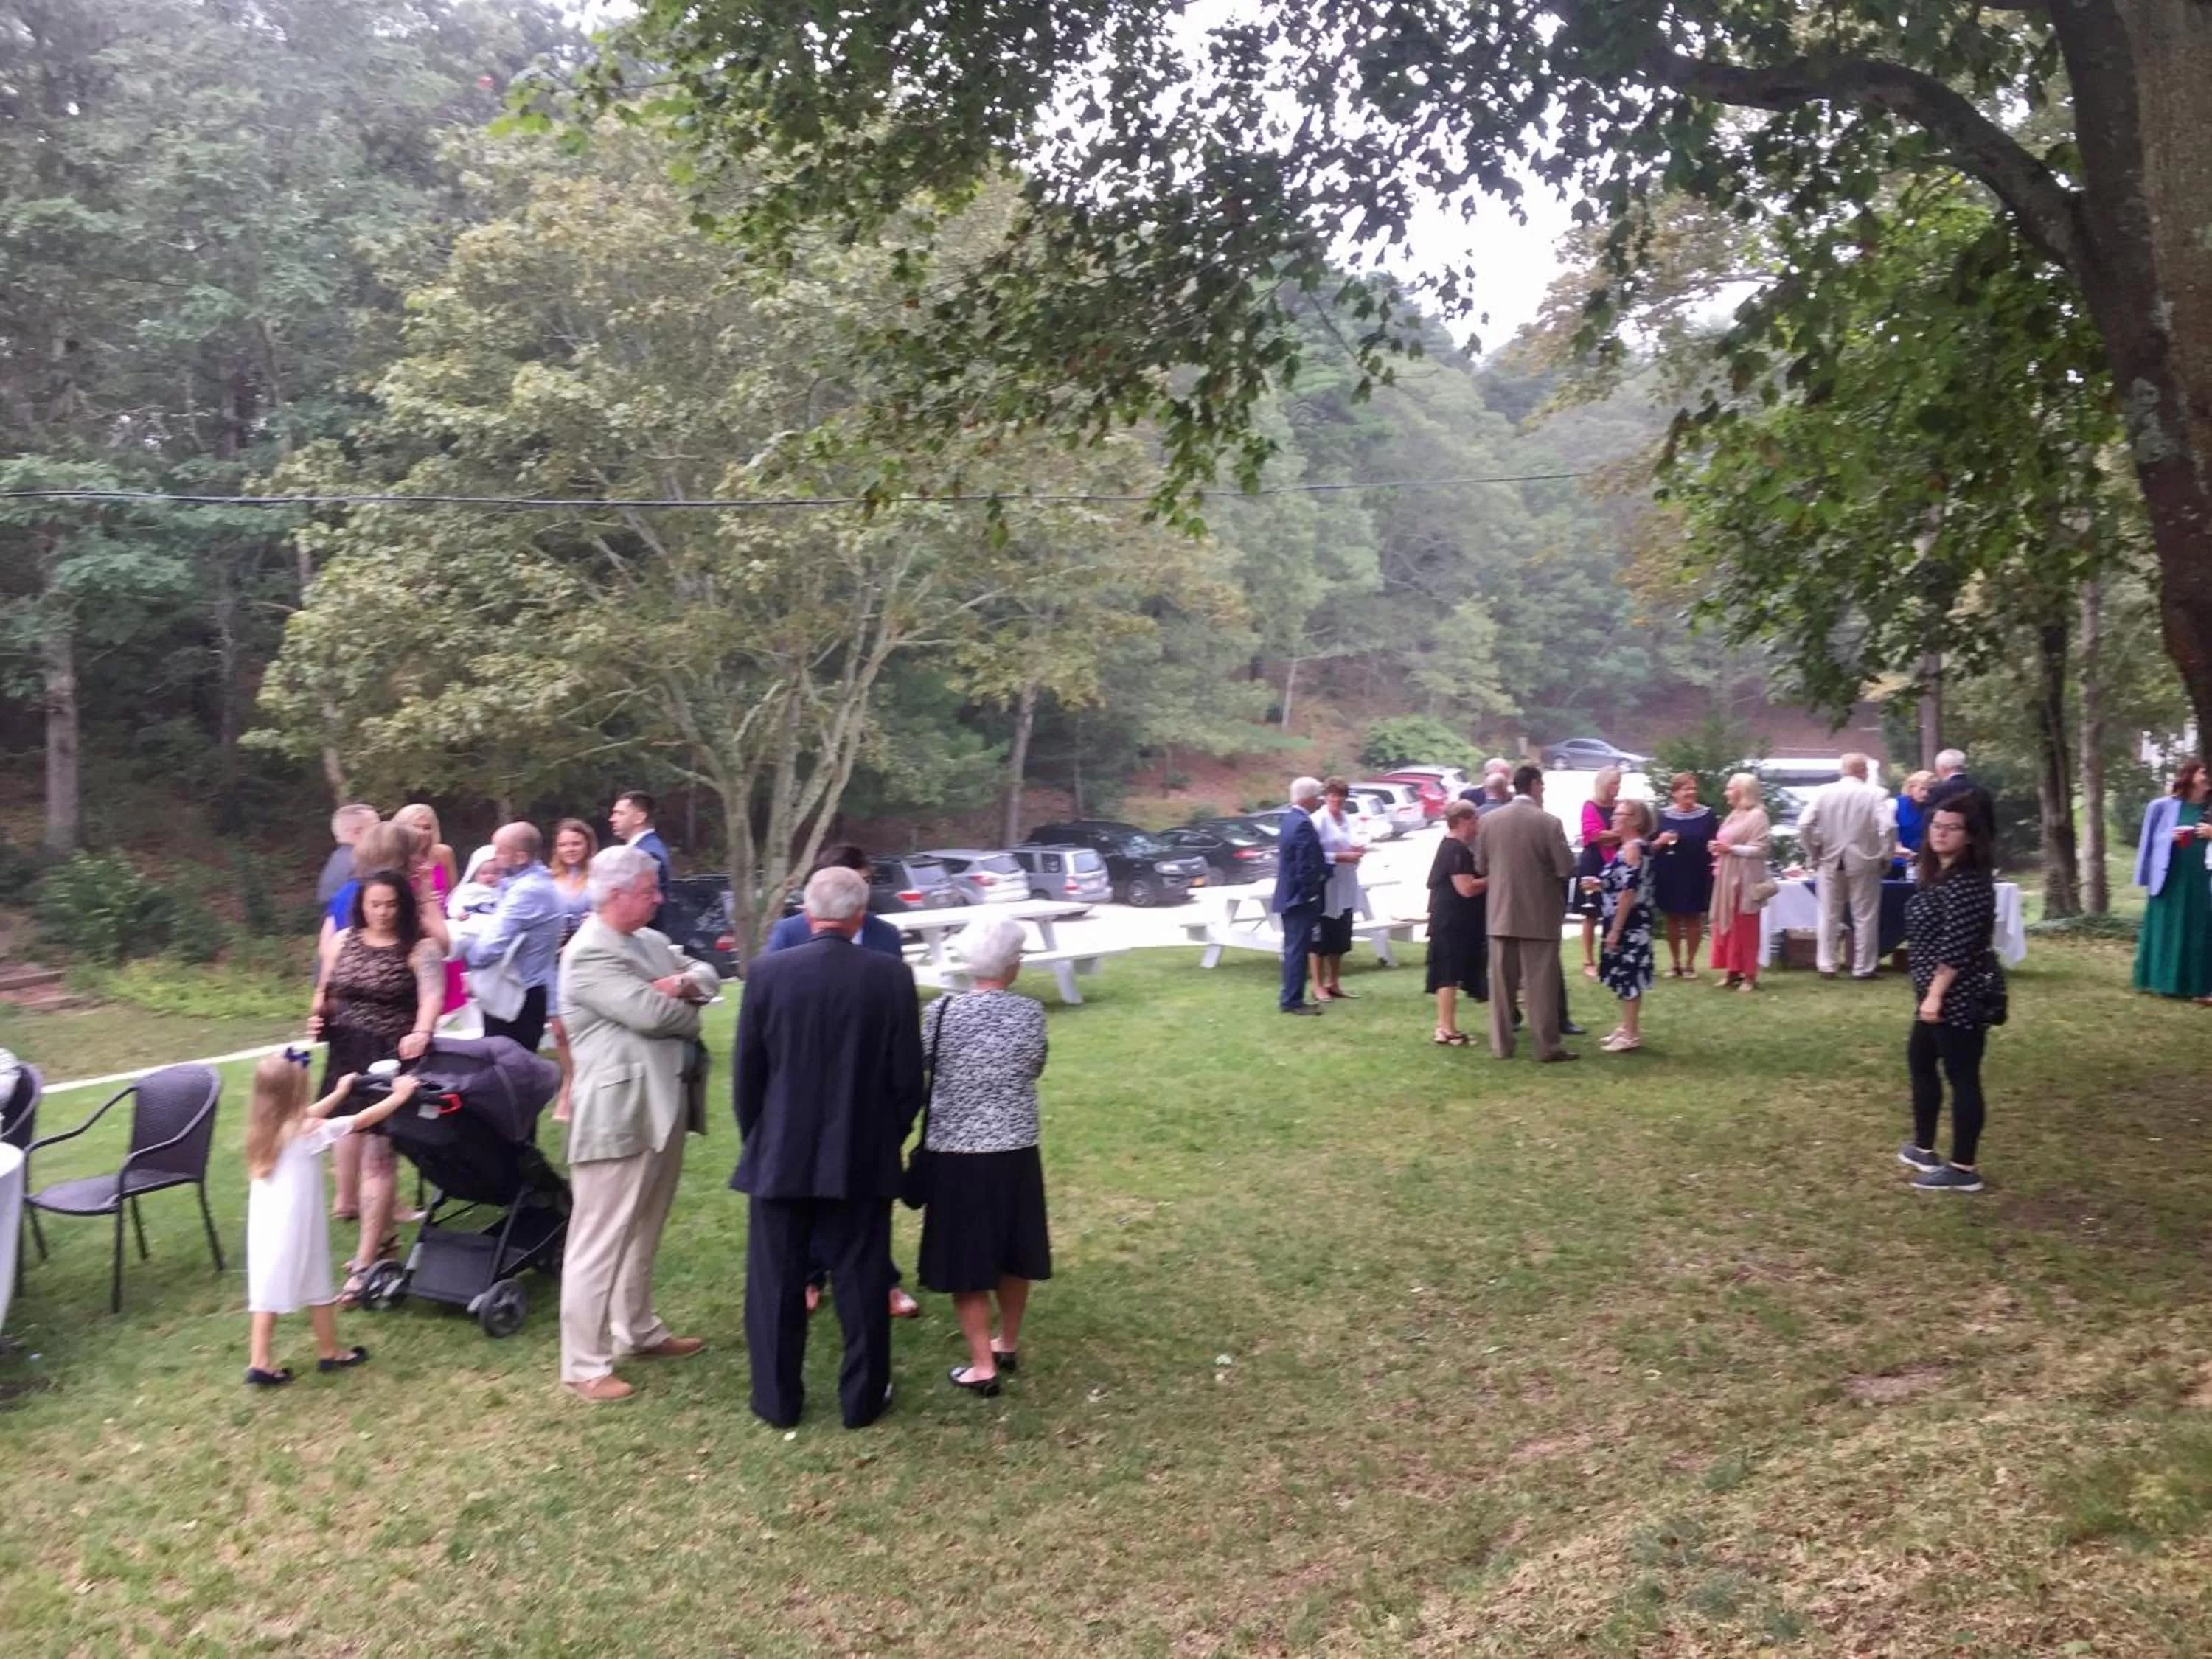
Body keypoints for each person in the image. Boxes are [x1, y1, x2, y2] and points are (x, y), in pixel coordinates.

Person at [733, 866, 925, 1430]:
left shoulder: (767, 973)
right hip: (861, 1154)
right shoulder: (890, 977)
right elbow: (907, 1080)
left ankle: (776, 1399)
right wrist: (886, 1137)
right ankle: (863, 1398)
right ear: (860, 916)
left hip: (780, 1153)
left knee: (775, 1280)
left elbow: (749, 1077)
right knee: (863, 1276)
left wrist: (761, 1139)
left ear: (807, 913)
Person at [557, 844, 718, 1404]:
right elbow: (651, 1016)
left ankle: (639, 1329)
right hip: (618, 1113)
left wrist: (680, 985)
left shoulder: (649, 943)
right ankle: (584, 1364)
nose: (660, 897)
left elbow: (707, 974)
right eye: (650, 889)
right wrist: (683, 1002)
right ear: (618, 893)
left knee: (644, 1229)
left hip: (664, 1106)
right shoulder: (587, 953)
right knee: (598, 1240)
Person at [763, 844, 922, 1321]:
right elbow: (768, 1017)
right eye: (856, 878)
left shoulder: (884, 935)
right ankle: (811, 1276)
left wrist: (895, 1119)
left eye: (867, 878)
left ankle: (883, 1280)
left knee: (870, 1199)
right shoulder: (789, 934)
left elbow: (901, 1025)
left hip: (868, 1095)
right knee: (807, 1192)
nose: (863, 888)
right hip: (804, 1094)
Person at [917, 917, 1051, 1398]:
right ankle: (1006, 1341)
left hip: (956, 1155)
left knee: (966, 1259)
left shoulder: (941, 1013)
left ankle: (981, 1365)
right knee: (1015, 1253)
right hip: (1015, 1150)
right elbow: (1034, 1066)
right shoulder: (1031, 1013)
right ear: (1012, 966)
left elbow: (923, 1067)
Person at [243, 1051, 419, 1386]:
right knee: (316, 1280)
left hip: (267, 1230)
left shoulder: (265, 1129)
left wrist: (340, 1092)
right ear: (296, 1092)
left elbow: (308, 1114)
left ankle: (262, 1361)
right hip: (298, 1227)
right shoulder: (306, 1131)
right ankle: (330, 1352)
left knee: (268, 1291)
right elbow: (361, 1121)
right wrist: (400, 1095)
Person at [307, 871, 445, 1301]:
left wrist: (421, 1032)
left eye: (391, 905)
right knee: (345, 1142)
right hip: (345, 1053)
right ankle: (382, 1241)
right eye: (375, 905)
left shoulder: (419, 948)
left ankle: (365, 1264)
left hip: (389, 1058)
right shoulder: (343, 939)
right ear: (361, 905)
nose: (383, 913)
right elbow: (327, 990)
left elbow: (431, 998)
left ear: (403, 906)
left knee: (378, 1158)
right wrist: (318, 1016)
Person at [1898, 804, 2006, 1192]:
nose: (1941, 833)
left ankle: (1963, 1169)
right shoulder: (1940, 878)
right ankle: (1924, 1148)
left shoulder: (1968, 884)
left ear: (1971, 836)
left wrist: (1936, 996)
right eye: (1937, 826)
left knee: (1963, 1077)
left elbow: (1956, 947)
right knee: (1921, 1061)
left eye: (1953, 828)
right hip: (1932, 994)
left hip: (1957, 996)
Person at [1473, 765, 1579, 1062]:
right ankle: (1547, 1047)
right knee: (1541, 986)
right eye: (1542, 786)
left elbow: (1480, 867)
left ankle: (1501, 1045)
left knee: (1502, 985)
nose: (1543, 791)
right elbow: (1566, 867)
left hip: (1500, 913)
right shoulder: (1549, 823)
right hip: (1539, 914)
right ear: (1533, 785)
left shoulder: (1489, 821)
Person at [452, 822, 566, 1054]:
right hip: (519, 990)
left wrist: (466, 952)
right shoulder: (523, 884)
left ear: (521, 857)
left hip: (518, 997)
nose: (494, 856)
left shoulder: (528, 891)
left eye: (500, 850)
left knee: (510, 1070)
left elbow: (489, 949)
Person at [1795, 753, 1896, 981]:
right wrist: (1886, 855)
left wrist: (1813, 851)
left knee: (1828, 913)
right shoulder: (1876, 794)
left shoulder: (1823, 792)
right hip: (1864, 860)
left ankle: (1827, 965)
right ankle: (1863, 968)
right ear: (1864, 771)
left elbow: (1803, 824)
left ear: (1843, 770)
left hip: (1829, 858)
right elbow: (1888, 828)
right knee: (1865, 915)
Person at [2132, 758, 2212, 1002]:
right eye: (2204, 773)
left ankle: (2197, 984)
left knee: (2200, 928)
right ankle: (2160, 981)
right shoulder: (2160, 806)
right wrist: (2169, 837)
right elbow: (2148, 842)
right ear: (2189, 776)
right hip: (2169, 876)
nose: (2207, 778)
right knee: (2166, 926)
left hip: (2203, 878)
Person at [546, 818, 599, 1124]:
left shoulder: (599, 877)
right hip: (553, 963)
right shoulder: (549, 879)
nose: (569, 849)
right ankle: (569, 1081)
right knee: (559, 1028)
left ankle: (588, 1083)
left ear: (587, 845)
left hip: (586, 958)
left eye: (575, 844)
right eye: (564, 844)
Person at [1425, 801, 1489, 1045]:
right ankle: (1447, 1028)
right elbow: (1466, 888)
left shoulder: (1451, 846)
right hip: (1451, 922)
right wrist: (1493, 879)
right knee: (1448, 976)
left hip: (1450, 920)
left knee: (1447, 974)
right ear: (1463, 821)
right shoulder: (1456, 850)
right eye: (1474, 820)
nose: (1477, 825)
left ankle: (1445, 1026)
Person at [765, 844, 904, 958]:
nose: (860, 890)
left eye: (865, 881)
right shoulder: (788, 932)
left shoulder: (886, 933)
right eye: (847, 884)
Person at [1597, 799, 1656, 1052]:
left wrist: (1617, 929)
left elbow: (1630, 891)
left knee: (1630, 975)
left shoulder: (1633, 848)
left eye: (1619, 814)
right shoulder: (1631, 847)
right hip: (1625, 918)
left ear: (1634, 819)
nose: (1613, 818)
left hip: (1630, 922)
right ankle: (1625, 1026)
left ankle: (1631, 1033)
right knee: (1623, 974)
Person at [1270, 776, 1331, 1016]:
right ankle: (1292, 1000)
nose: (1319, 801)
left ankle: (1291, 996)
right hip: (1299, 898)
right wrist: (1311, 893)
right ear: (1308, 798)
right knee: (1297, 949)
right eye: (1317, 797)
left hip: (1288, 895)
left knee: (1293, 948)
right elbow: (1305, 864)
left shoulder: (1288, 820)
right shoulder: (1303, 824)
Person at [1647, 773, 1717, 978]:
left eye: (1693, 788)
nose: (1691, 792)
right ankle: (1675, 963)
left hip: (1697, 872)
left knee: (1694, 917)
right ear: (1674, 793)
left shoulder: (1707, 815)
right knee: (1673, 917)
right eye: (1686, 789)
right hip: (1670, 873)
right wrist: (1661, 840)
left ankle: (1690, 964)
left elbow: (1714, 841)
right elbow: (1649, 846)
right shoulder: (1662, 816)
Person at [1708, 772, 1772, 992]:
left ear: (1743, 790)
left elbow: (1760, 849)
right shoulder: (1734, 814)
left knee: (1746, 927)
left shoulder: (1758, 816)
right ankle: (1732, 971)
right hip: (1726, 877)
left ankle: (1750, 975)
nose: (1726, 792)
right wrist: (1717, 847)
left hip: (1745, 879)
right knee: (1728, 924)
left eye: (1730, 788)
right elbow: (1726, 840)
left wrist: (1731, 849)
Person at [1308, 777, 1368, 1003]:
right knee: (1320, 937)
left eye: (1341, 796)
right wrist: (1341, 857)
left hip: (1346, 883)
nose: (1337, 800)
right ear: (1325, 796)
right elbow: (1312, 856)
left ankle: (1334, 982)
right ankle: (1317, 984)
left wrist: (1356, 851)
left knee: (1340, 935)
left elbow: (1349, 843)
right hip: (1326, 884)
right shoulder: (1317, 820)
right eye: (1333, 795)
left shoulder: (1346, 819)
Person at [1574, 767, 1624, 981]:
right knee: (1591, 912)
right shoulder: (1590, 805)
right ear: (1604, 784)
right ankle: (1588, 961)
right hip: (1593, 863)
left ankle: (1610, 958)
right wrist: (1613, 835)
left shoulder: (1621, 807)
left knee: (1613, 912)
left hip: (1615, 863)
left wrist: (1610, 836)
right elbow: (1591, 834)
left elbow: (1628, 829)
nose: (1618, 787)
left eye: (1619, 783)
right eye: (1614, 783)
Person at [608, 790, 673, 930]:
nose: (612, 819)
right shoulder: (645, 849)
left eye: (620, 813)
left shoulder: (647, 854)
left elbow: (644, 904)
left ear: (640, 818)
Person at [316, 803, 380, 910]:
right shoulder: (365, 864)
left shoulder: (336, 862)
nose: (382, 831)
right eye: (376, 826)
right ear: (357, 832)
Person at [1922, 748, 1996, 839]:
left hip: (1945, 844)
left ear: (1943, 768)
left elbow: (1928, 822)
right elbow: (1989, 825)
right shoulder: (1982, 791)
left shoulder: (1938, 791)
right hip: (1977, 846)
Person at [392, 802, 460, 891]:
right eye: (415, 827)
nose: (422, 833)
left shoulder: (442, 853)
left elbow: (454, 893)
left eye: (427, 828)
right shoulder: (394, 856)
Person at [1893, 770, 1934, 863]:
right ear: (1911, 788)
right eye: (1922, 789)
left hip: (1924, 860)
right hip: (1899, 859)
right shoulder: (1897, 805)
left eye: (1930, 790)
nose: (1926, 794)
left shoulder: (1933, 806)